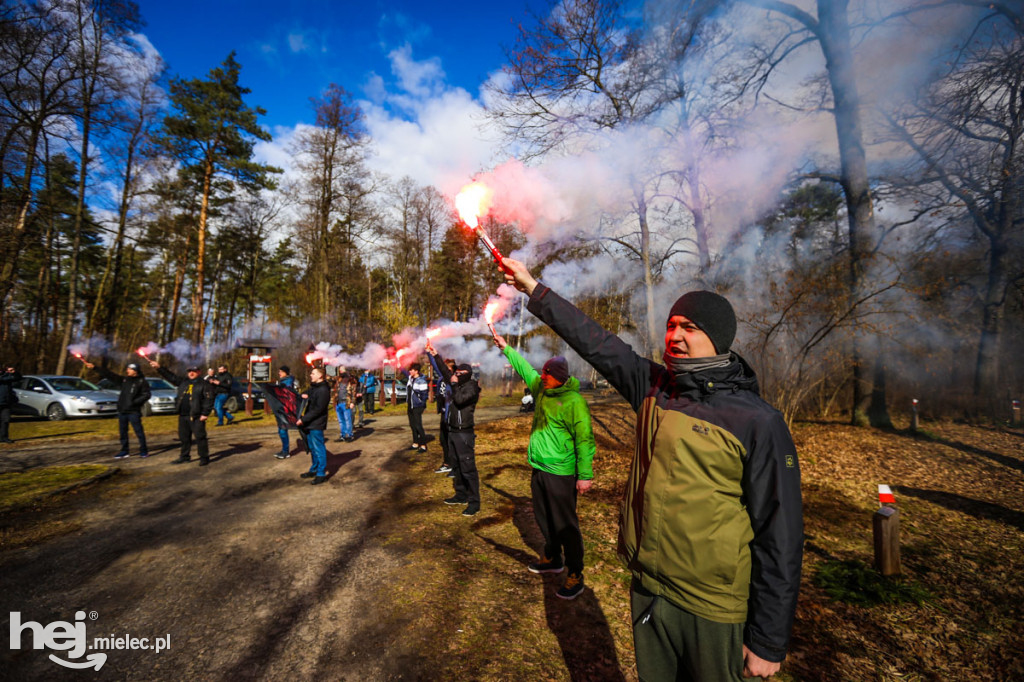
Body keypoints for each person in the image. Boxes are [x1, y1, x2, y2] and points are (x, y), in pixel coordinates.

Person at [501, 258, 803, 681]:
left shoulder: (758, 421)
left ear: (717, 338)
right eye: (671, 324)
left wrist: (769, 638)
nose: (675, 335)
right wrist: (534, 289)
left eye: (689, 327)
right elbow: (596, 341)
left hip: (713, 608)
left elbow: (781, 534)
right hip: (648, 591)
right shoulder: (654, 387)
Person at [492, 331, 596, 601]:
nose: (542, 377)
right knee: (543, 518)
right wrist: (506, 348)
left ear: (559, 377)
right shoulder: (541, 388)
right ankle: (553, 558)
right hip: (539, 467)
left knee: (565, 525)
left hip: (561, 473)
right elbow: (525, 368)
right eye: (543, 374)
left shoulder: (574, 403)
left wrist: (584, 475)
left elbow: (585, 439)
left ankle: (575, 573)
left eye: (547, 375)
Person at [426, 340, 482, 516]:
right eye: (456, 372)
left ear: (468, 374)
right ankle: (460, 495)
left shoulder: (472, 387)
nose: (456, 374)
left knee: (468, 469)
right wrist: (435, 355)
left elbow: (459, 399)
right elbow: (443, 370)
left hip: (464, 433)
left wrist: (455, 383)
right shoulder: (456, 381)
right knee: (456, 466)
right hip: (452, 431)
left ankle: (474, 502)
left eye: (460, 372)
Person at [150, 360, 216, 466]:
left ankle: (204, 457)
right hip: (183, 415)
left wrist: (205, 413)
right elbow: (171, 377)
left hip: (197, 415)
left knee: (200, 437)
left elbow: (209, 399)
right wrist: (159, 367)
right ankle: (185, 456)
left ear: (198, 372)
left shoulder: (204, 384)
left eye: (193, 371)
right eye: (189, 371)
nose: (191, 373)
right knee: (184, 438)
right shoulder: (184, 382)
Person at [82, 359, 152, 459]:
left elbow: (146, 394)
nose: (127, 370)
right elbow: (110, 375)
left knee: (139, 432)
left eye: (129, 369)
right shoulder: (124, 380)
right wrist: (95, 368)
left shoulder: (142, 382)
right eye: (127, 368)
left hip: (133, 412)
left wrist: (134, 402)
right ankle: (124, 451)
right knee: (123, 432)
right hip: (122, 411)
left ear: (135, 371)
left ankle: (144, 451)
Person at [297, 367, 330, 484]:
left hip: (316, 423)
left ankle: (321, 473)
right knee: (312, 448)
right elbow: (307, 393)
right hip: (310, 423)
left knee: (318, 448)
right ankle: (314, 469)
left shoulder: (323, 390)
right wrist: (304, 395)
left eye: (313, 373)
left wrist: (303, 420)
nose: (311, 375)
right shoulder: (315, 387)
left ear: (320, 376)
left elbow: (318, 409)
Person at [426, 353, 457, 475]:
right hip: (443, 413)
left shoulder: (453, 380)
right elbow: (435, 364)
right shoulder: (441, 378)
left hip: (451, 415)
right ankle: (447, 464)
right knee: (443, 440)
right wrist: (429, 353)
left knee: (452, 441)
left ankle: (455, 466)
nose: (443, 369)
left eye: (446, 368)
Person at [401, 362, 430, 453]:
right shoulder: (411, 378)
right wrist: (399, 365)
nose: (410, 371)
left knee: (418, 425)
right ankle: (415, 443)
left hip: (417, 405)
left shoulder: (421, 380)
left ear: (416, 371)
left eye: (411, 370)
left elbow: (424, 394)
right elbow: (405, 372)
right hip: (410, 404)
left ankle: (423, 445)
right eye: (409, 370)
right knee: (412, 425)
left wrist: (421, 402)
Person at [270, 366, 297, 458]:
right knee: (281, 430)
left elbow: (287, 390)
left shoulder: (288, 381)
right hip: (281, 408)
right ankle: (285, 451)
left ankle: (285, 452)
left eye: (281, 371)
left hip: (285, 409)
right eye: (279, 371)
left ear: (286, 372)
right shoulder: (282, 380)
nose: (279, 373)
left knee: (282, 430)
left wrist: (280, 388)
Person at [0, 364, 23, 444]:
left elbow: (18, 378)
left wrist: (14, 372)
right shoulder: (5, 377)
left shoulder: (6, 375)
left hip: (6, 402)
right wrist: (9, 376)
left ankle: (4, 437)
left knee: (5, 420)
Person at [334, 372, 355, 442]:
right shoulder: (338, 384)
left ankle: (349, 435)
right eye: (343, 377)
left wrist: (352, 402)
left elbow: (353, 394)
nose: (344, 379)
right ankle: (342, 435)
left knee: (347, 420)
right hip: (338, 403)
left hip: (346, 403)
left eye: (345, 377)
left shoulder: (351, 384)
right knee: (341, 420)